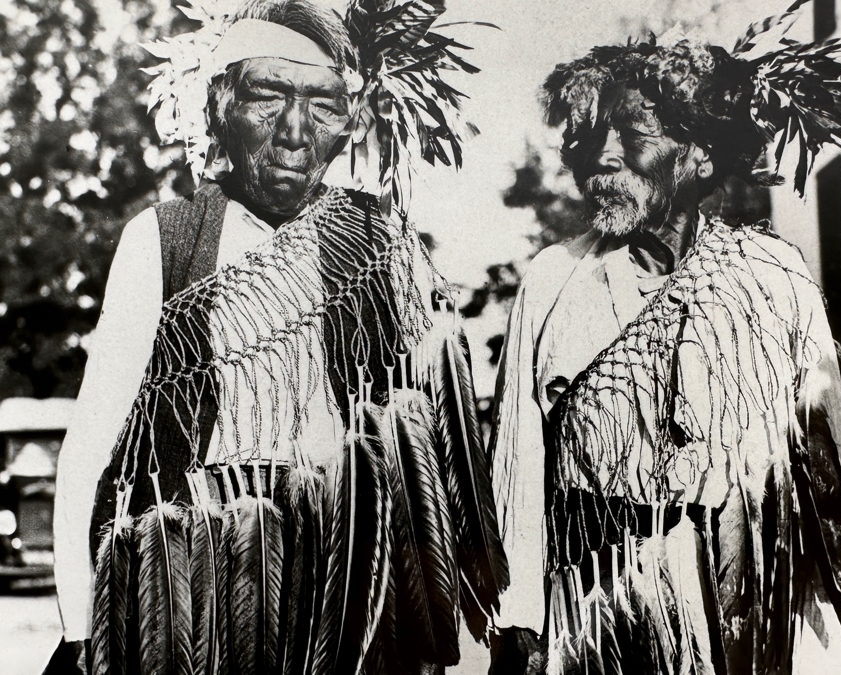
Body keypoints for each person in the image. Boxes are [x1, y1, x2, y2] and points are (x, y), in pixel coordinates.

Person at [49, 1, 507, 673]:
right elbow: (91, 436)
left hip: (352, 587)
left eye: (323, 106)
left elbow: (433, 448)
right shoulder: (166, 240)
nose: (295, 131)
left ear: (351, 123)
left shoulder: (383, 243)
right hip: (201, 597)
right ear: (220, 108)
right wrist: (79, 615)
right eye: (268, 97)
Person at [488, 7, 841, 674]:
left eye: (632, 133)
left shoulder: (773, 280)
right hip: (597, 614)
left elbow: (820, 498)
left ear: (698, 154)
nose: (604, 155)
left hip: (736, 614)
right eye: (591, 138)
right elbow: (516, 473)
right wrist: (521, 629)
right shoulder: (555, 283)